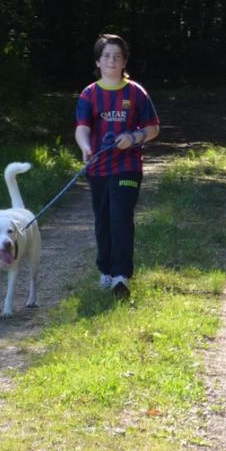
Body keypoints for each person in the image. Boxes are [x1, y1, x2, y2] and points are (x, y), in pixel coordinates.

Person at [75, 33, 160, 301]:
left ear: (124, 61)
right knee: (103, 220)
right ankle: (106, 270)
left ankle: (121, 275)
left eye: (117, 56)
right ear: (98, 61)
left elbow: (153, 128)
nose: (112, 60)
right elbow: (82, 128)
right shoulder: (89, 94)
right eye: (107, 56)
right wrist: (86, 148)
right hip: (98, 167)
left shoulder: (136, 92)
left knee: (120, 216)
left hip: (128, 165)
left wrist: (133, 138)